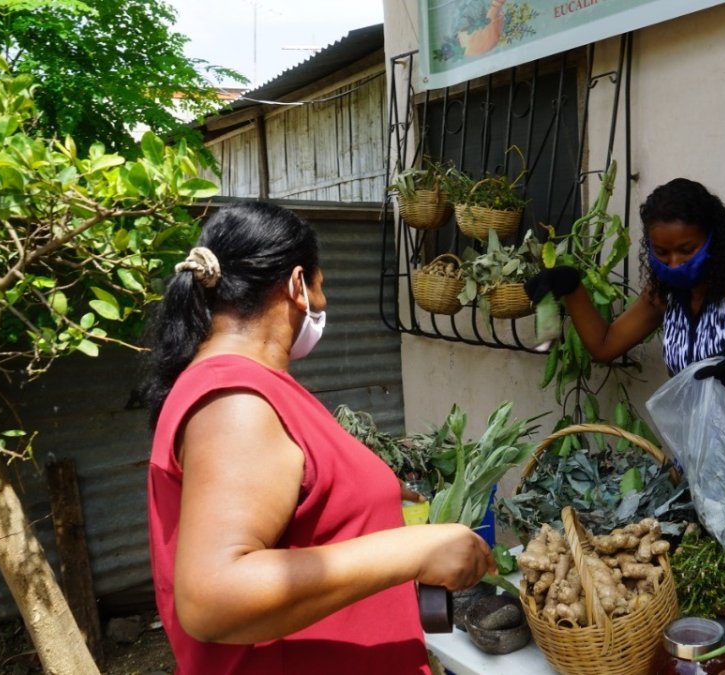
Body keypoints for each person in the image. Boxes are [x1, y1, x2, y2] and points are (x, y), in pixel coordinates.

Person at [141, 202, 494, 674]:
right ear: (296, 285)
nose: (324, 305)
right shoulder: (235, 401)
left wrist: (376, 502)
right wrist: (414, 551)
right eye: (322, 286)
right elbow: (213, 599)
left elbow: (296, 500)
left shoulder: (251, 387)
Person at [525, 178, 725, 551]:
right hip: (696, 464)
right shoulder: (665, 293)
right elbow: (604, 346)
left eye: (687, 250)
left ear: (715, 239)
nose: (675, 263)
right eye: (662, 253)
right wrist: (572, 288)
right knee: (704, 580)